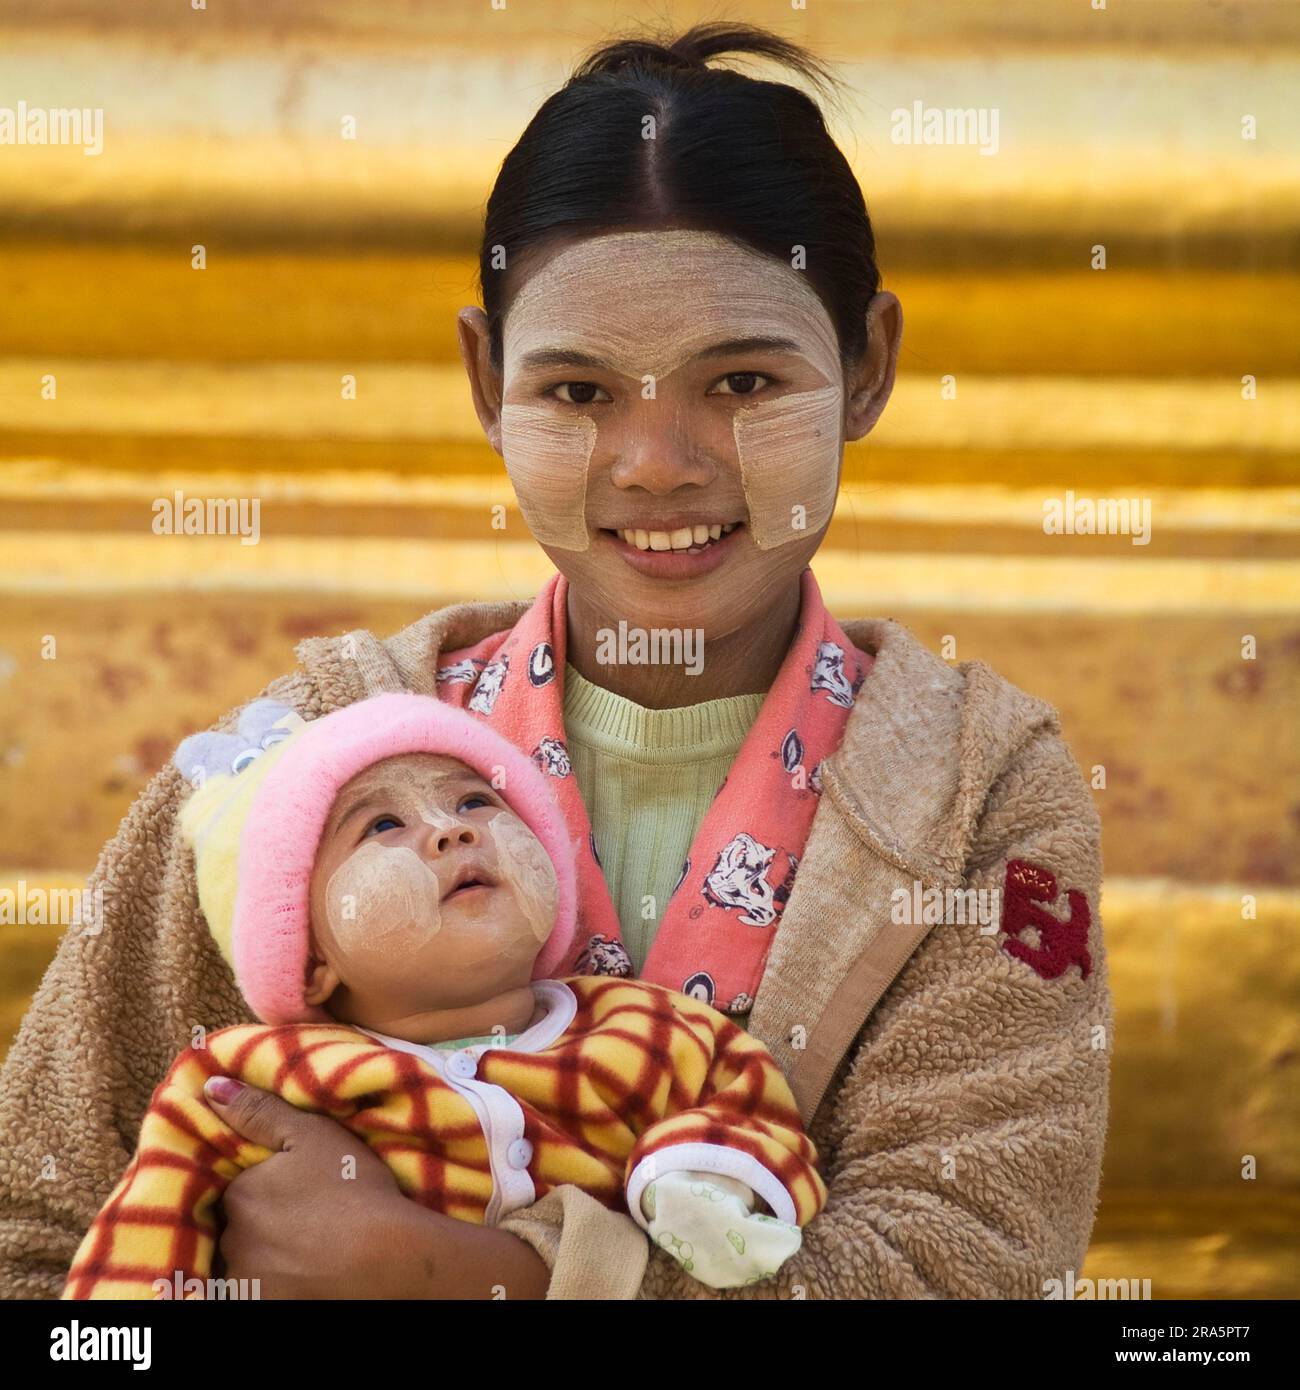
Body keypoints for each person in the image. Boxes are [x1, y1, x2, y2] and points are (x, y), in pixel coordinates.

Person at [0, 22, 1112, 1300]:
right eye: (579, 394)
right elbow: (37, 1232)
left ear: (867, 366)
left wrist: (468, 1274)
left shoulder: (972, 792)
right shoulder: (309, 760)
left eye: (744, 382)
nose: (657, 463)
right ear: (485, 380)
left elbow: (970, 1270)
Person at [63, 694, 822, 1297]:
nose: (451, 833)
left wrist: (695, 1177)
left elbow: (750, 1104)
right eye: (384, 824)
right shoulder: (245, 1080)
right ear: (313, 959)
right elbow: (139, 1249)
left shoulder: (650, 1030)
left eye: (473, 803)